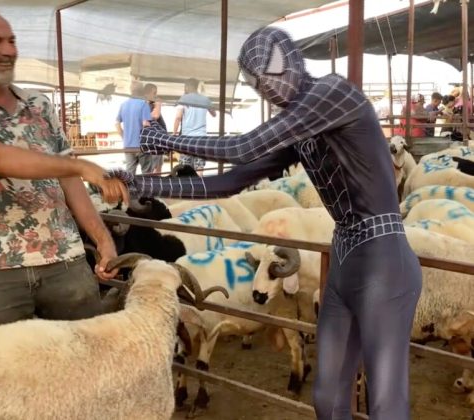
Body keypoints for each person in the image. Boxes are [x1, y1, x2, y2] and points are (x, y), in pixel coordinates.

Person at [126, 27, 422, 419]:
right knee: (328, 396)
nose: (267, 86)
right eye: (257, 81)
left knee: (386, 401)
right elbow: (233, 179)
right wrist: (139, 183)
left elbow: (242, 147)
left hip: (382, 252)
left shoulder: (333, 92)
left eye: (271, 72)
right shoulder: (300, 126)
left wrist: (169, 141)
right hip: (344, 252)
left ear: (291, 59)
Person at [0, 6, 127, 330]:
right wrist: (80, 165)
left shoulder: (39, 105)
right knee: (8, 374)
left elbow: (69, 181)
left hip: (67, 262)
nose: (8, 50)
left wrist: (103, 242)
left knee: (81, 364)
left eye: (12, 40)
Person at [173, 78, 215, 173]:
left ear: (187, 87)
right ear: (196, 86)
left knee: (185, 168)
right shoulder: (205, 99)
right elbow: (214, 114)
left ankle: (187, 187)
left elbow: (178, 118)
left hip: (187, 139)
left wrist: (174, 134)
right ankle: (199, 187)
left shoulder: (183, 99)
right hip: (201, 138)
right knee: (199, 167)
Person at [116, 81, 156, 175]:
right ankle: (145, 190)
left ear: (131, 90)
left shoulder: (124, 105)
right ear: (142, 91)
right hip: (142, 145)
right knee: (147, 173)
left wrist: (124, 137)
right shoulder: (143, 104)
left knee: (130, 174)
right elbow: (146, 124)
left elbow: (117, 123)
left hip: (128, 146)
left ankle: (130, 190)